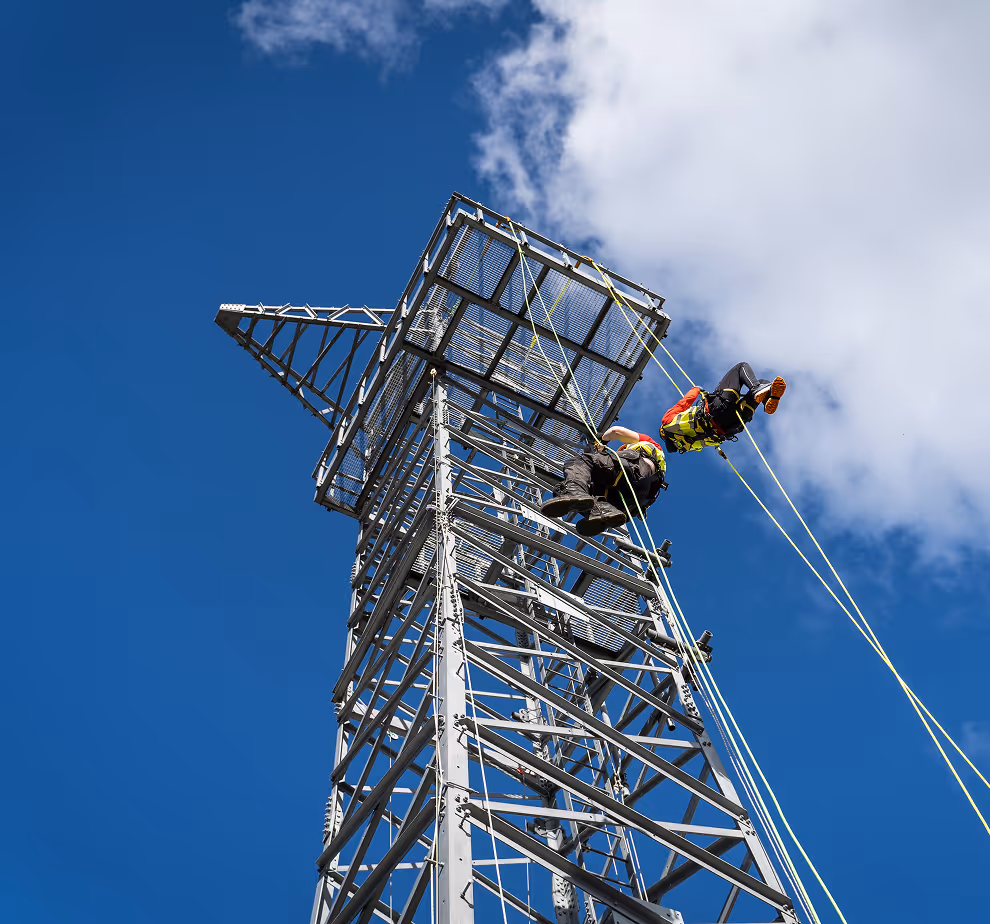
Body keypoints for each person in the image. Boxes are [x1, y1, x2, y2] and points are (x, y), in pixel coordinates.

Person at [540, 426, 667, 537]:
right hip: (636, 499)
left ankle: (573, 491)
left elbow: (616, 431)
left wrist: (603, 440)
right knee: (585, 497)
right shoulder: (659, 468)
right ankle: (603, 510)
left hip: (634, 469)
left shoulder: (649, 443)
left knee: (581, 461)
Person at [660, 363, 785, 454]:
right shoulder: (667, 422)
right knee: (741, 367)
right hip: (716, 409)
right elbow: (684, 403)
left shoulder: (687, 446)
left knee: (764, 383)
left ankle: (765, 396)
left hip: (731, 425)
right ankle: (761, 393)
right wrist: (696, 389)